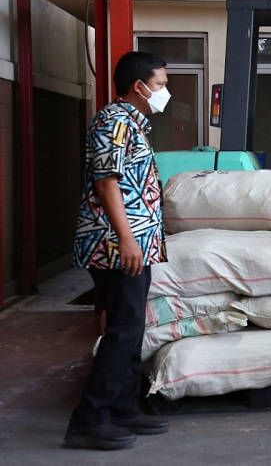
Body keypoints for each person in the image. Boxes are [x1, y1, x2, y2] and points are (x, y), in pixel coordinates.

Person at [66, 51, 171, 449]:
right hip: (114, 245)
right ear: (139, 86)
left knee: (132, 326)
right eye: (160, 84)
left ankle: (123, 407)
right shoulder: (114, 122)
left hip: (133, 243)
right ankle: (88, 419)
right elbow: (106, 183)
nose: (164, 92)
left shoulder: (134, 123)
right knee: (124, 329)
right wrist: (127, 239)